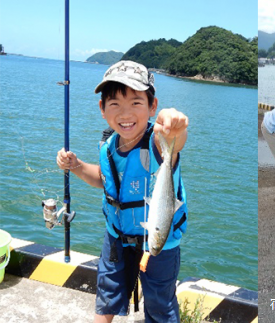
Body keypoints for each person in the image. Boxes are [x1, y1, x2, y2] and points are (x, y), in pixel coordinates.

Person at [56, 60, 189, 323]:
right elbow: (105, 180)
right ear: (102, 109)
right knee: (106, 295)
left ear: (152, 106)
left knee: (160, 305)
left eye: (136, 103)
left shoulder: (156, 144)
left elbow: (174, 140)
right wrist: (78, 166)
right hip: (116, 237)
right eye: (115, 104)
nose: (125, 113)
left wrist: (174, 127)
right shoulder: (108, 145)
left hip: (158, 246)